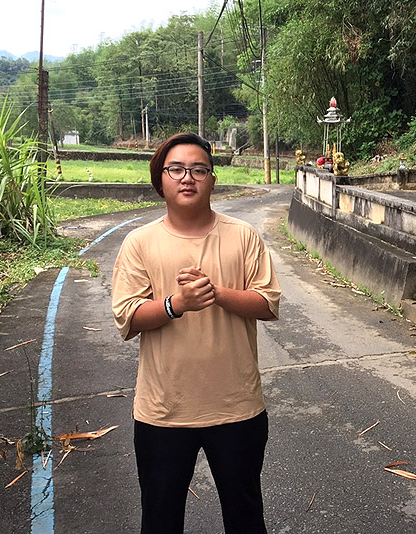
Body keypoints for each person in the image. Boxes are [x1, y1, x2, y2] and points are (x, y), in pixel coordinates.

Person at [111, 132, 280, 534]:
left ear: (212, 179)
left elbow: (267, 303)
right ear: (160, 179)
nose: (187, 177)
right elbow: (127, 317)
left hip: (237, 408)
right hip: (163, 412)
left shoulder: (243, 236)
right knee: (160, 521)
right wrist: (177, 304)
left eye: (199, 169)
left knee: (245, 518)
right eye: (176, 169)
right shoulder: (140, 243)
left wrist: (217, 294)